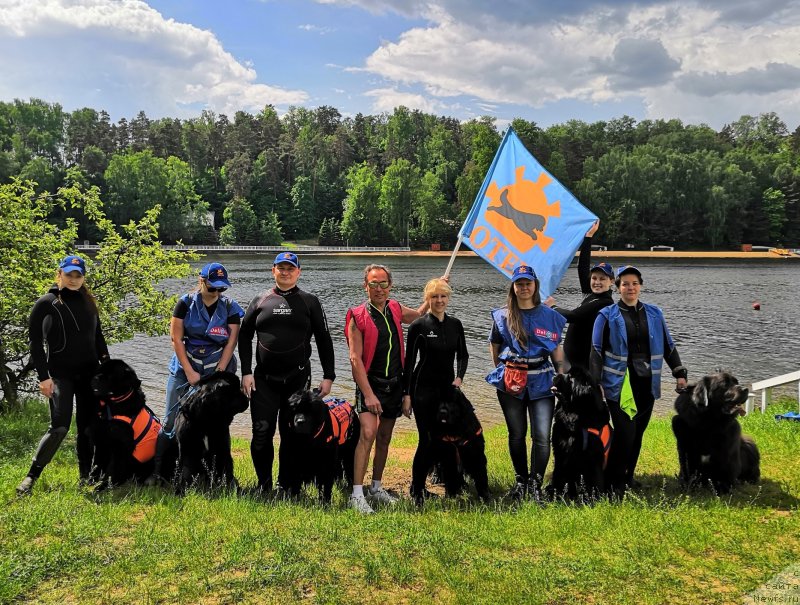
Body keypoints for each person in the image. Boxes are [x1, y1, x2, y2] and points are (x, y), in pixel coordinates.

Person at [238, 252, 336, 493]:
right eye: (281, 268)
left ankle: (287, 483)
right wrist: (246, 372)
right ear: (273, 271)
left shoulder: (309, 301)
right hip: (264, 381)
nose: (285, 272)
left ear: (298, 272)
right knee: (262, 432)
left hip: (298, 379)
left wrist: (329, 375)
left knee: (292, 434)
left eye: (290, 268)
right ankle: (264, 485)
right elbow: (244, 336)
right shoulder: (260, 300)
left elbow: (324, 339)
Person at [590, 265, 688, 493]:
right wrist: (596, 384)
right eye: (625, 284)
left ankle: (628, 477)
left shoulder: (655, 313)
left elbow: (668, 346)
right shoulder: (606, 316)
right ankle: (612, 483)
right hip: (619, 386)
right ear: (618, 287)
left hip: (647, 384)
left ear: (640, 286)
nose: (630, 288)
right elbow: (595, 351)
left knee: (638, 434)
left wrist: (679, 373)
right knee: (625, 434)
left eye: (634, 283)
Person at [17, 255, 110, 496]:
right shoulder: (46, 303)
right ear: (60, 274)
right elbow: (36, 345)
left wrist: (106, 365)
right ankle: (31, 476)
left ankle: (85, 477)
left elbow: (98, 337)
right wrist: (44, 377)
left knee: (87, 427)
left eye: (78, 275)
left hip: (89, 374)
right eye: (69, 274)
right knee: (59, 426)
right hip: (60, 376)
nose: (74, 279)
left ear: (83, 278)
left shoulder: (89, 302)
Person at [147, 262, 245, 484]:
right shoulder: (185, 303)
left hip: (218, 367)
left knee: (219, 424)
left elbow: (231, 342)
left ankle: (222, 475)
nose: (217, 293)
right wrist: (190, 372)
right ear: (202, 281)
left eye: (222, 288)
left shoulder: (230, 307)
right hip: (186, 366)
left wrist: (219, 372)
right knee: (172, 421)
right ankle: (160, 472)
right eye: (213, 287)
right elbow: (176, 339)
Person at [346, 264, 428, 513]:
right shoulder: (357, 316)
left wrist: (432, 293)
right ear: (365, 286)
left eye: (383, 284)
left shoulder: (394, 308)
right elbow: (354, 359)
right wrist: (368, 394)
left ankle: (376, 487)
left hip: (395, 383)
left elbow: (418, 316)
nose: (379, 289)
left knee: (384, 438)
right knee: (368, 434)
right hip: (370, 384)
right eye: (373, 284)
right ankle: (357, 494)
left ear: (390, 286)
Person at [487, 265, 566, 500]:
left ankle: (536, 485)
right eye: (519, 283)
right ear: (513, 286)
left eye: (527, 283)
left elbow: (557, 351)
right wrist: (504, 370)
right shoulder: (502, 315)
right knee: (517, 433)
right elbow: (495, 345)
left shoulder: (549, 316)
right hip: (512, 382)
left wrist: (561, 376)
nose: (523, 287)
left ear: (535, 286)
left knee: (542, 436)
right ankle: (521, 481)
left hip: (542, 382)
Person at [401, 278, 469, 504]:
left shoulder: (455, 324)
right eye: (434, 297)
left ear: (448, 298)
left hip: (447, 392)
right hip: (423, 391)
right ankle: (417, 489)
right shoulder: (419, 326)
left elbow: (463, 354)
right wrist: (407, 395)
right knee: (427, 440)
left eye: (442, 296)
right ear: (427, 299)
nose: (439, 301)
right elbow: (409, 363)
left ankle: (452, 485)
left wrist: (459, 378)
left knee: (449, 440)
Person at [544, 220, 614, 371]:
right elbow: (582, 267)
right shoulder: (592, 294)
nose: (597, 282)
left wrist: (552, 307)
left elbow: (572, 316)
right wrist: (588, 237)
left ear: (612, 282)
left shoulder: (605, 303)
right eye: (594, 278)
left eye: (603, 279)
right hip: (571, 363)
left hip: (583, 367)